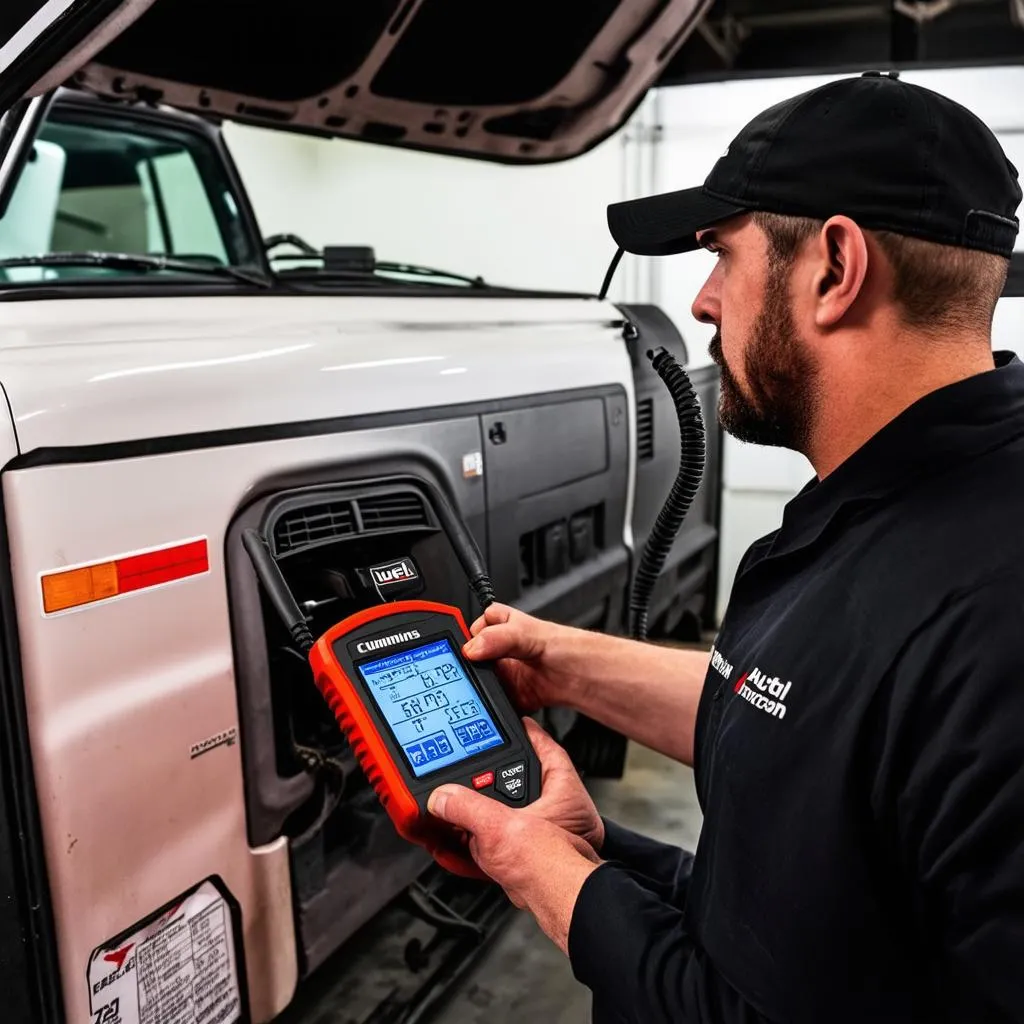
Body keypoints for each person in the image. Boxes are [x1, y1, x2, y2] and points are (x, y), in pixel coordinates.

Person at [424, 70, 1024, 1023]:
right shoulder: (903, 500)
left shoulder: (986, 625)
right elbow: (814, 735)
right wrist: (564, 670)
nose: (702, 302)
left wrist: (551, 879)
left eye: (720, 254)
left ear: (834, 268)